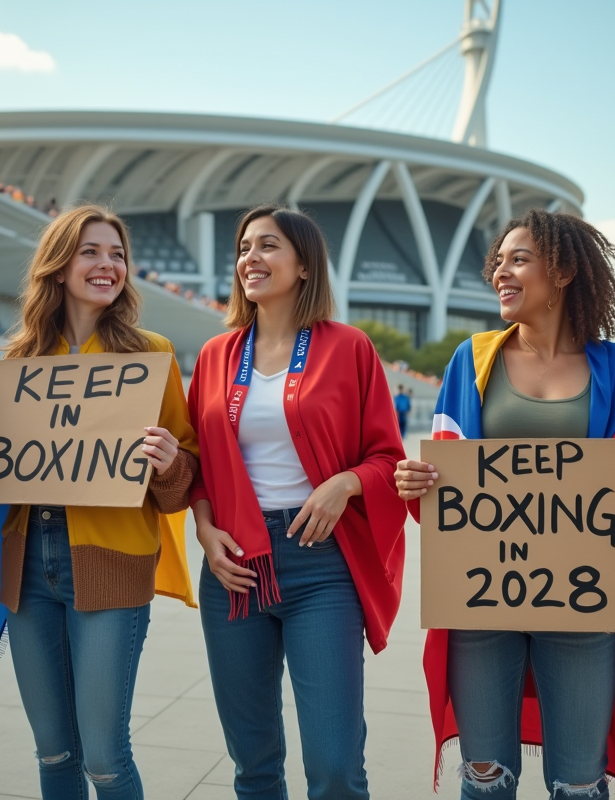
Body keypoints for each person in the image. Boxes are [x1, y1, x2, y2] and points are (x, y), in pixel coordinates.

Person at [395, 209, 615, 800]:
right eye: (498, 261)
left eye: (518, 259)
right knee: (485, 776)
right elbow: (449, 499)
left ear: (566, 271)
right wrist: (419, 485)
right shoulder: (471, 360)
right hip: (480, 602)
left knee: (578, 782)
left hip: (583, 607)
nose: (501, 272)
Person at [0, 204, 199, 800]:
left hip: (110, 565)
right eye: (91, 251)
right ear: (59, 267)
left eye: (116, 254)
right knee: (54, 751)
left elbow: (182, 487)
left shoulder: (150, 354)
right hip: (28, 567)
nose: (107, 264)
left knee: (106, 757)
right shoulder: (18, 361)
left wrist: (170, 459)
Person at [188, 204, 407, 799]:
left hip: (320, 566)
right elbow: (202, 469)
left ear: (305, 264)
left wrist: (344, 483)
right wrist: (206, 534)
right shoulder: (215, 356)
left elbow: (388, 458)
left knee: (335, 763)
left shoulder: (349, 348)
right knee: (253, 762)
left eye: (268, 246)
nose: (249, 260)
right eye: (243, 248)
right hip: (235, 566)